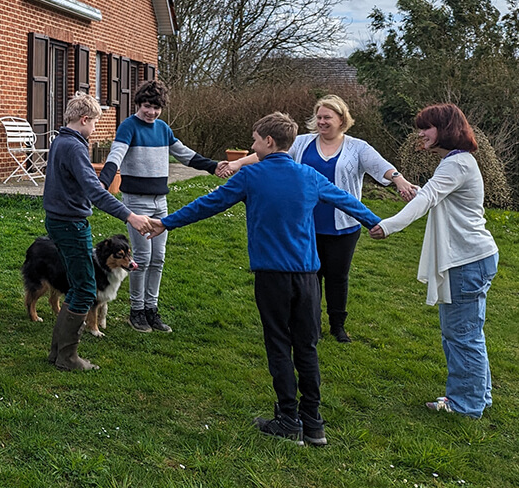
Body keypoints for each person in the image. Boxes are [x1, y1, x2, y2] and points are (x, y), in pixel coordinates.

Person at [149, 112, 381, 446]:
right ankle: (314, 424)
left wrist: (166, 223)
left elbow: (207, 205)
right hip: (307, 278)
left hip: (273, 277)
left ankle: (288, 419)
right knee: (307, 347)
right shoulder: (309, 176)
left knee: (278, 344)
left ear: (268, 142)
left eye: (255, 140)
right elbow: (346, 200)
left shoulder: (252, 176)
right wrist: (375, 223)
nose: (252, 145)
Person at [224, 95, 416, 342]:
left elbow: (381, 166)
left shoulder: (358, 147)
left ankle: (337, 326)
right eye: (319, 116)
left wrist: (399, 180)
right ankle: (308, 325)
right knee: (309, 277)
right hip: (305, 224)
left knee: (338, 276)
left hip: (343, 226)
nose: (322, 121)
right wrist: (238, 163)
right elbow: (267, 153)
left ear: (341, 119)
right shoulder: (302, 142)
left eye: (327, 117)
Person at [370, 104, 497, 418]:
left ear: (446, 129)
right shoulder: (458, 162)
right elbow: (433, 195)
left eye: (426, 127)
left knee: (461, 335)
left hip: (466, 261)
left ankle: (465, 404)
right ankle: (478, 397)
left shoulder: (456, 164)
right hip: (475, 257)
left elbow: (428, 200)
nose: (421, 134)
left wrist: (388, 226)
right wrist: (417, 192)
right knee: (469, 333)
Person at [98, 80, 223, 333]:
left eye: (156, 108)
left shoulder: (163, 129)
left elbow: (185, 154)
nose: (151, 112)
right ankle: (136, 312)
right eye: (147, 106)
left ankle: (151, 309)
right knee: (142, 258)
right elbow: (116, 156)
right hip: (136, 202)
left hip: (160, 202)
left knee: (159, 258)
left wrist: (214, 166)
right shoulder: (128, 127)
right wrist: (102, 182)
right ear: (138, 104)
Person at [45, 92, 152, 371]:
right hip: (70, 224)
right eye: (93, 123)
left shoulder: (60, 140)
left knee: (79, 284)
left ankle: (57, 353)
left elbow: (84, 185)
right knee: (84, 288)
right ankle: (68, 358)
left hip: (59, 221)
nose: (93, 129)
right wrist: (129, 216)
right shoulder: (75, 146)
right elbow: (94, 191)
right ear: (84, 119)